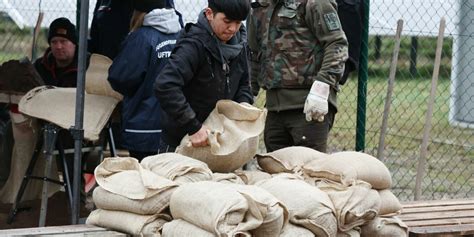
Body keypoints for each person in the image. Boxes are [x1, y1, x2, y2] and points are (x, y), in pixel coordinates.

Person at [0, 17, 85, 203]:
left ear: (74, 43)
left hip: (73, 124)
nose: (59, 46)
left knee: (70, 141)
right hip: (41, 122)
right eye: (54, 42)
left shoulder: (85, 67)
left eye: (64, 41)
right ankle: (7, 189)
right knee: (8, 132)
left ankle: (75, 196)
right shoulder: (40, 66)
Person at [248, 0, 348, 153]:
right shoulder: (261, 5)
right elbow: (255, 54)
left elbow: (337, 44)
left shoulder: (315, 3)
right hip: (274, 109)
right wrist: (248, 95)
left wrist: (323, 85)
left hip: (309, 107)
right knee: (276, 171)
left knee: (308, 170)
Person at [154, 0, 253, 152]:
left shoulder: (240, 44)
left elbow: (244, 84)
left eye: (238, 22)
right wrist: (193, 127)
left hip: (223, 142)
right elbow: (166, 85)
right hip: (183, 141)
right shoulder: (193, 45)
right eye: (227, 21)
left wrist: (243, 108)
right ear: (209, 14)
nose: (233, 28)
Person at [108, 0, 182, 160]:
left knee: (145, 179)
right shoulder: (180, 35)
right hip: (176, 125)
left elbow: (120, 77)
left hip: (144, 128)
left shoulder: (141, 38)